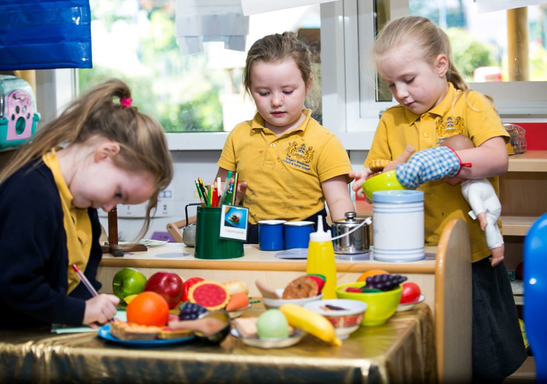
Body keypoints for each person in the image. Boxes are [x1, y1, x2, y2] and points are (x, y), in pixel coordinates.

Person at [0, 79, 173, 382]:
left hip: (27, 341)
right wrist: (81, 312)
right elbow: (18, 286)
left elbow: (78, 280)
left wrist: (90, 307)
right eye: (118, 193)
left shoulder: (83, 203)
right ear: (104, 153)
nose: (108, 207)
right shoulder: (31, 193)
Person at [350, 16, 526, 382]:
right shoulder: (391, 121)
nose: (400, 93)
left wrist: (454, 161)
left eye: (409, 80)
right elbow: (380, 178)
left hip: (469, 256)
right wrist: (372, 177)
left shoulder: (471, 105)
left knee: (480, 356)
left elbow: (498, 157)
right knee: (425, 352)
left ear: (440, 65)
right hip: (412, 256)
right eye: (390, 84)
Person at [216, 32, 355, 244]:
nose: (276, 101)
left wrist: (347, 242)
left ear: (308, 86)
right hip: (248, 238)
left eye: (288, 91)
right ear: (250, 90)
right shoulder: (239, 135)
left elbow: (338, 200)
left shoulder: (325, 141)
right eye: (264, 93)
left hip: (306, 238)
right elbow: (218, 190)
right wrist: (227, 200)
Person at [441, 134, 505, 267]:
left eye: (447, 174)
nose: (444, 178)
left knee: (490, 229)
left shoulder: (472, 188)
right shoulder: (474, 180)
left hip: (488, 210)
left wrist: (482, 219)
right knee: (493, 229)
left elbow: (477, 205)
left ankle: (498, 254)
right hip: (489, 206)